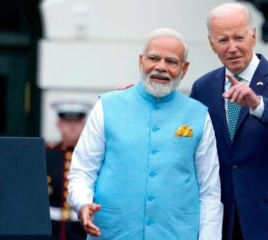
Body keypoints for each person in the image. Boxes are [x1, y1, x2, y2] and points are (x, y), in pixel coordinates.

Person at [67, 28, 223, 240]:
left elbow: (210, 192)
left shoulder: (198, 115)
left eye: (171, 61)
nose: (161, 67)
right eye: (154, 58)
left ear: (184, 69)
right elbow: (82, 171)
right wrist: (82, 203)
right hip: (113, 233)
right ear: (141, 61)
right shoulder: (107, 106)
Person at [189, 3, 268, 239]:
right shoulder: (203, 87)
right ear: (211, 44)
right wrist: (140, 99)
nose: (232, 48)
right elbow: (185, 137)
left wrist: (259, 105)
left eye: (239, 37)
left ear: (254, 36)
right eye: (223, 40)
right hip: (228, 222)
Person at [46, 101, 91, 240]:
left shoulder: (92, 156)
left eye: (77, 122)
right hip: (52, 228)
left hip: (83, 229)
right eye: (67, 122)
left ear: (84, 125)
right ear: (58, 124)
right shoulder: (46, 154)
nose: (72, 127)